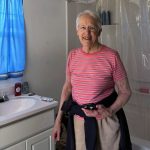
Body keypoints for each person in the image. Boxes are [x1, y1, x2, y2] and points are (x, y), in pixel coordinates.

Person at [52, 10, 132, 150]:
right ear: (77, 31)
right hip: (79, 121)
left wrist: (110, 110)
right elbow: (68, 88)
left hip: (105, 122)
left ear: (99, 31)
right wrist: (58, 120)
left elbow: (125, 92)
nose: (87, 33)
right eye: (82, 27)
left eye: (92, 28)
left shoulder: (112, 56)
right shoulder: (72, 56)